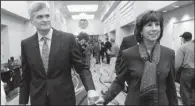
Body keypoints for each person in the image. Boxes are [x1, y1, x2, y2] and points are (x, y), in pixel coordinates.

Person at [19, 1, 99, 105]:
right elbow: (25, 75)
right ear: (31, 21)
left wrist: (91, 89)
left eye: (47, 16)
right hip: (38, 99)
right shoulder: (26, 44)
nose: (45, 20)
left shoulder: (67, 39)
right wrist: (22, 102)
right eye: (40, 17)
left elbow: (82, 67)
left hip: (64, 98)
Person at [95, 10, 178, 105]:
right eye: (149, 25)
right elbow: (119, 81)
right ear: (140, 30)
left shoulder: (168, 54)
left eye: (157, 24)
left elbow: (171, 86)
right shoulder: (128, 54)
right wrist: (105, 98)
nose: (154, 28)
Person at [175, 37, 194, 105]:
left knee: (185, 93)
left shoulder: (184, 47)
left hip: (188, 71)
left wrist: (173, 74)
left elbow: (177, 64)